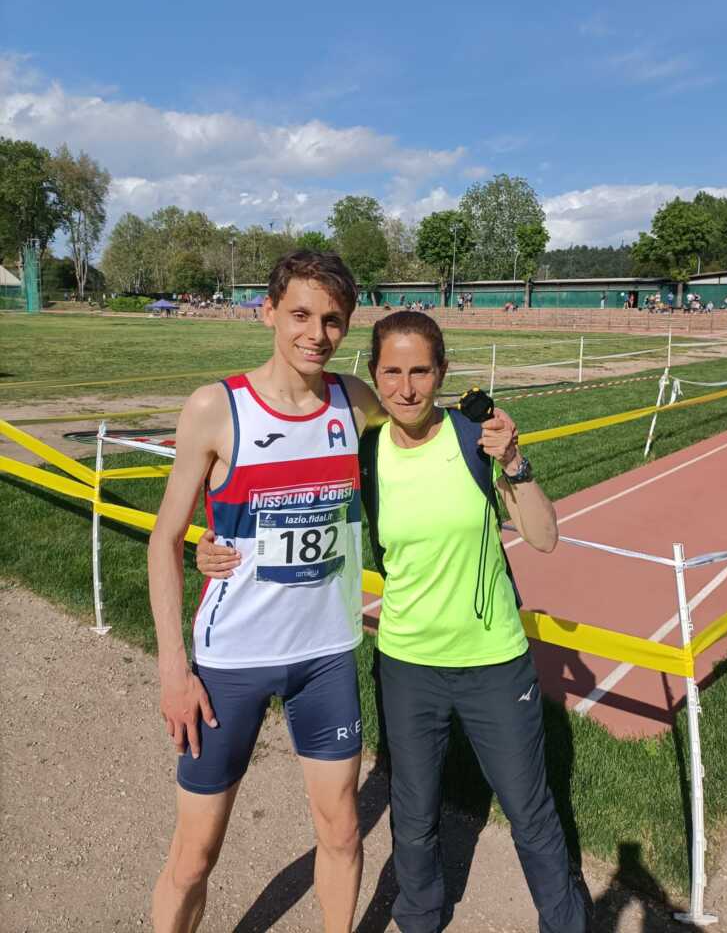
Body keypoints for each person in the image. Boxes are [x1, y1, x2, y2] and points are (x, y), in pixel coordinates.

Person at [198, 312, 589, 933]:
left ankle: (565, 922)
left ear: (442, 373)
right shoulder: (367, 451)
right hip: (407, 663)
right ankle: (419, 919)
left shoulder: (472, 438)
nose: (406, 388)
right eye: (392, 372)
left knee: (530, 809)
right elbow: (293, 503)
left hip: (492, 660)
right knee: (413, 813)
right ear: (373, 375)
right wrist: (217, 545)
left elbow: (544, 538)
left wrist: (514, 460)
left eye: (420, 371)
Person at [147, 249, 386, 933]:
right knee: (195, 856)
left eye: (334, 320)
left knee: (341, 831)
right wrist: (173, 668)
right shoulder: (215, 408)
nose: (317, 333)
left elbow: (422, 435)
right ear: (269, 313)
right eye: (302, 314)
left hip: (327, 657)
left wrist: (499, 447)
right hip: (232, 662)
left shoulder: (355, 401)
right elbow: (166, 541)